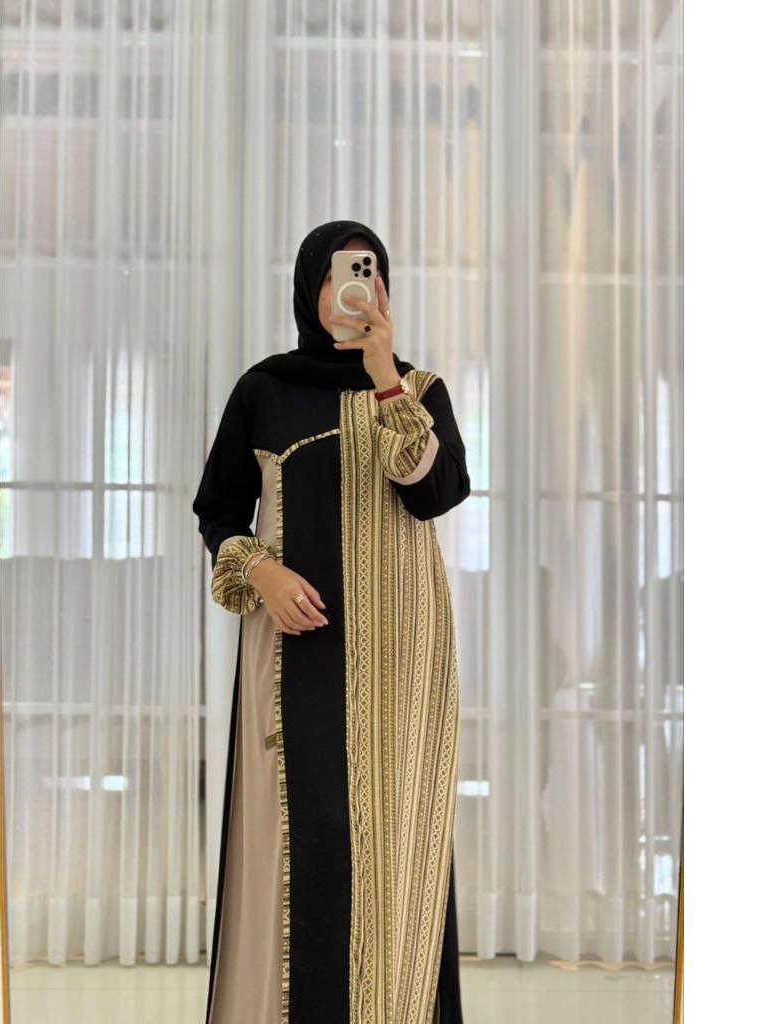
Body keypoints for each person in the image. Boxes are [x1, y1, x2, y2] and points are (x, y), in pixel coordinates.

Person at [193, 220, 470, 1024]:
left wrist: (385, 376)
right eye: (339, 273)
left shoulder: (419, 389)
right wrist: (262, 570)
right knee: (308, 829)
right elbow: (217, 510)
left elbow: (434, 494)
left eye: (370, 271)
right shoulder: (265, 389)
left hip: (401, 652)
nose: (355, 287)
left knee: (397, 834)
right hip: (298, 646)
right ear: (309, 285)